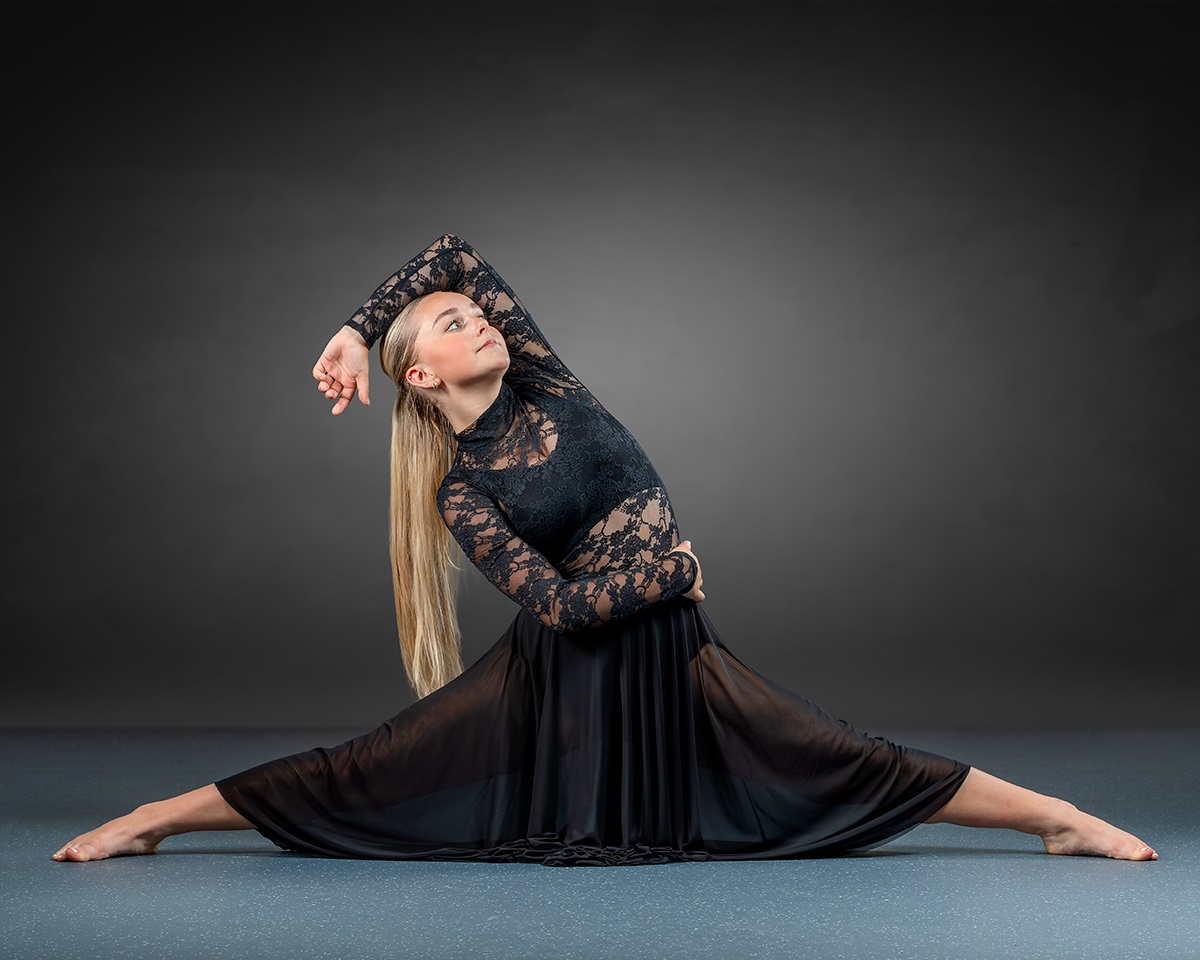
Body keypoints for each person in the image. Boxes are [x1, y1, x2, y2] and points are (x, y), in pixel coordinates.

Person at [52, 234, 1157, 865]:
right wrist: (675, 569)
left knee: (839, 755)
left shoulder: (549, 383)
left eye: (474, 313)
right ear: (423, 379)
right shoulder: (463, 492)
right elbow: (560, 609)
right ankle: (158, 819)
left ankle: (1057, 822)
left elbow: (452, 248)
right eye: (449, 323)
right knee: (374, 769)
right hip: (567, 669)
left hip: (674, 648)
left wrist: (355, 324)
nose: (477, 318)